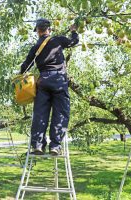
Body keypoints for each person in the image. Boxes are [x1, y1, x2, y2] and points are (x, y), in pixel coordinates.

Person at [20, 18, 79, 155]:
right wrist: (73, 31)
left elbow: (25, 66)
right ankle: (55, 146)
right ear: (49, 30)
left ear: (37, 32)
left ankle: (38, 145)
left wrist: (19, 78)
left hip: (43, 82)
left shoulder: (35, 48)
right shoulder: (58, 40)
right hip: (59, 80)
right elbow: (73, 41)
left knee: (40, 114)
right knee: (61, 113)